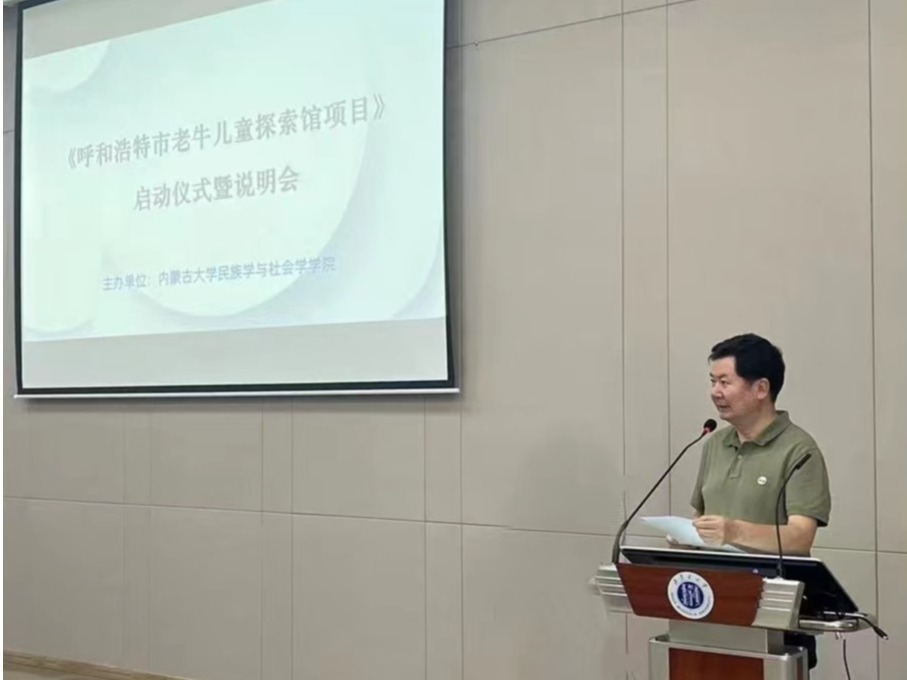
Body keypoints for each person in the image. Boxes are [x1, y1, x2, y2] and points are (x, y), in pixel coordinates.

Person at [687, 333, 831, 672]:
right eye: (712, 381)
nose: (715, 392)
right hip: (711, 608)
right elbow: (700, 516)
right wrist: (685, 537)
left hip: (773, 614)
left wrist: (733, 531)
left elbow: (800, 538)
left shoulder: (799, 450)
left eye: (725, 382)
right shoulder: (713, 444)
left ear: (761, 388)